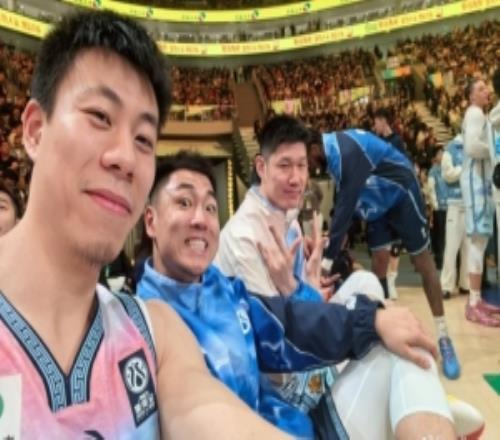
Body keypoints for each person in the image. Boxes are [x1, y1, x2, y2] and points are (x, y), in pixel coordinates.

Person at [0, 10, 288, 438]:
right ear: (35, 130)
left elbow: (208, 412)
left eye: (143, 140)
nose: (126, 158)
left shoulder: (156, 333)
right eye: (100, 117)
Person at [138, 151, 463, 440]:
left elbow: (291, 321)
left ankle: (419, 412)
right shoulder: (143, 324)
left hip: (292, 418)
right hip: (286, 397)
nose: (200, 219)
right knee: (399, 348)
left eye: (210, 207)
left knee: (395, 333)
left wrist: (372, 320)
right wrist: (304, 291)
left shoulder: (223, 284)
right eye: (184, 203)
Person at [308, 119, 461, 380]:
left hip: (401, 191)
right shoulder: (332, 154)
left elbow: (345, 209)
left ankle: (444, 336)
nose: (308, 167)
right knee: (379, 261)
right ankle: (387, 332)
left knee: (422, 262)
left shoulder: (345, 150)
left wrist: (325, 264)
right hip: (376, 198)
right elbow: (343, 204)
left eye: (306, 161)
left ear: (313, 148)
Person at [461, 78, 500, 326]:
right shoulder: (474, 113)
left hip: (481, 182)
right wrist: (493, 150)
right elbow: (471, 147)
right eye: (480, 88)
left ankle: (476, 298)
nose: (487, 91)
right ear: (471, 96)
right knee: (477, 239)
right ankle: (473, 303)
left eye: (487, 87)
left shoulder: (481, 115)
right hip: (474, 183)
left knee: (482, 239)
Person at [372, 107, 407, 299]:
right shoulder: (376, 142)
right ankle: (382, 281)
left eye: (376, 122)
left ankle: (392, 280)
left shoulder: (397, 142)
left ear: (384, 121)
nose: (374, 126)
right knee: (381, 244)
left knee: (396, 242)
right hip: (380, 198)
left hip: (394, 196)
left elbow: (401, 167)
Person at [440, 134, 470, 299]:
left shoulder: (473, 148)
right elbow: (447, 174)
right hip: (454, 204)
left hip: (470, 203)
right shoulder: (450, 148)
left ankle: (466, 284)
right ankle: (446, 286)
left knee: (469, 248)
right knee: (451, 247)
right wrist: (463, 169)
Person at [428, 147, 448, 271]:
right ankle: (439, 259)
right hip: (439, 206)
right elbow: (431, 189)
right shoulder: (433, 171)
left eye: (443, 153)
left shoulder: (447, 169)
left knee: (447, 235)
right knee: (439, 235)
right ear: (435, 157)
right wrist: (435, 204)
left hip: (449, 205)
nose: (442, 155)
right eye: (440, 153)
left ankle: (447, 260)